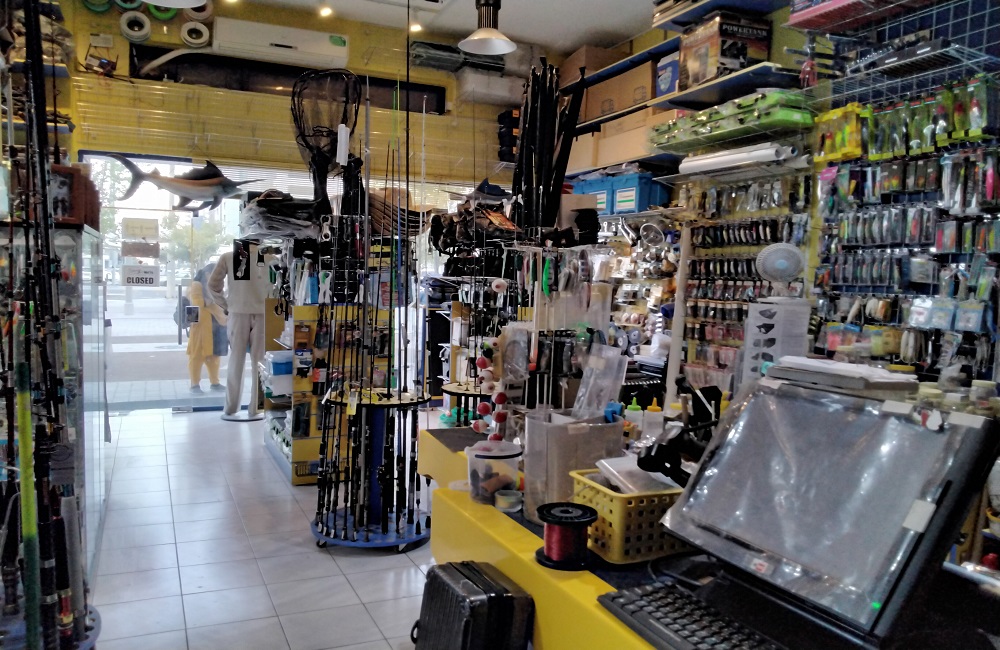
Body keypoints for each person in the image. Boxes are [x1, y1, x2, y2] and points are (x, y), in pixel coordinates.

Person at [186, 263, 228, 393]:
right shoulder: (196, 285)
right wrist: (211, 300)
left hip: (216, 324)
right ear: (207, 273)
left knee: (214, 356)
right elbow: (196, 303)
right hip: (200, 326)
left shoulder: (214, 286)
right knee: (197, 355)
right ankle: (194, 384)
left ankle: (215, 382)